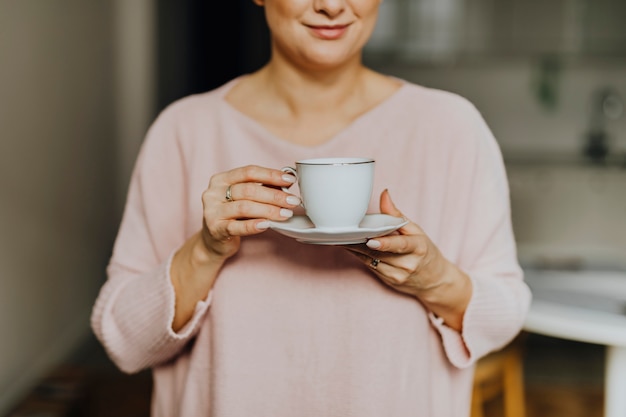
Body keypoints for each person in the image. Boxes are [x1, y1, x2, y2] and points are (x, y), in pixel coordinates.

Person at [91, 0, 532, 416]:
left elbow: (505, 313)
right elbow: (123, 342)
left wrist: (434, 278)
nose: (332, 5)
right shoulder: (183, 131)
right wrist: (204, 251)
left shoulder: (452, 128)